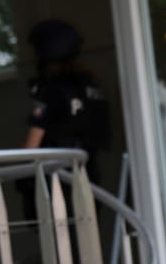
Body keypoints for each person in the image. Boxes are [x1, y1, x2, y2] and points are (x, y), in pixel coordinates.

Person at [20, 19, 111, 219]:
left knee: (61, 245)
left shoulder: (52, 90)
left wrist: (21, 178)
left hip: (58, 184)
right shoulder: (92, 86)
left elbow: (31, 147)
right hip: (89, 178)